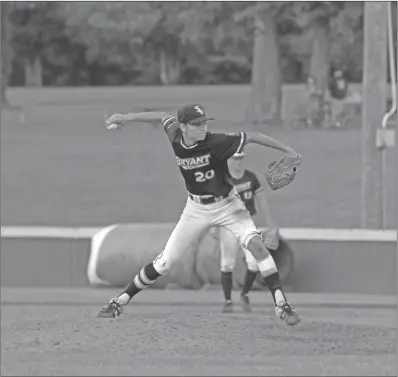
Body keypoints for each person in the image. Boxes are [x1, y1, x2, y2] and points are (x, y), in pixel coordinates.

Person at [98, 103, 302, 326]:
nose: (202, 127)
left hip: (229, 206)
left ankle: (282, 305)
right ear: (183, 126)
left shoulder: (216, 142)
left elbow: (252, 136)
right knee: (164, 263)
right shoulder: (175, 135)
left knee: (257, 246)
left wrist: (288, 150)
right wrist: (125, 118)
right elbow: (160, 116)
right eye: (196, 124)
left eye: (204, 122)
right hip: (195, 210)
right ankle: (119, 301)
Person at [210, 150, 280, 314]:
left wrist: (271, 224)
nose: (238, 162)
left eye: (240, 159)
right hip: (228, 224)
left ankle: (244, 293)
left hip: (247, 224)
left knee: (254, 263)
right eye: (235, 159)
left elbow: (262, 201)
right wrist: (213, 225)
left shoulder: (251, 178)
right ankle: (228, 301)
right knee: (227, 263)